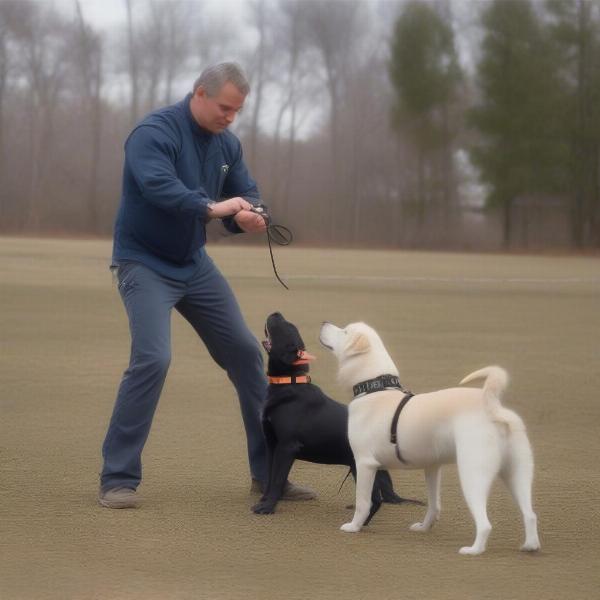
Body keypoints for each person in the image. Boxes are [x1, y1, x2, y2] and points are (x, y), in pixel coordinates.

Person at [99, 62, 315, 509]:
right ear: (199, 93)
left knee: (246, 354)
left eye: (237, 111)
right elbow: (160, 188)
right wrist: (217, 209)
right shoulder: (153, 133)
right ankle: (118, 478)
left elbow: (248, 194)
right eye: (224, 108)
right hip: (142, 262)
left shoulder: (227, 145)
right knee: (153, 359)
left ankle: (268, 475)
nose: (230, 118)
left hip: (193, 265)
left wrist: (251, 216)